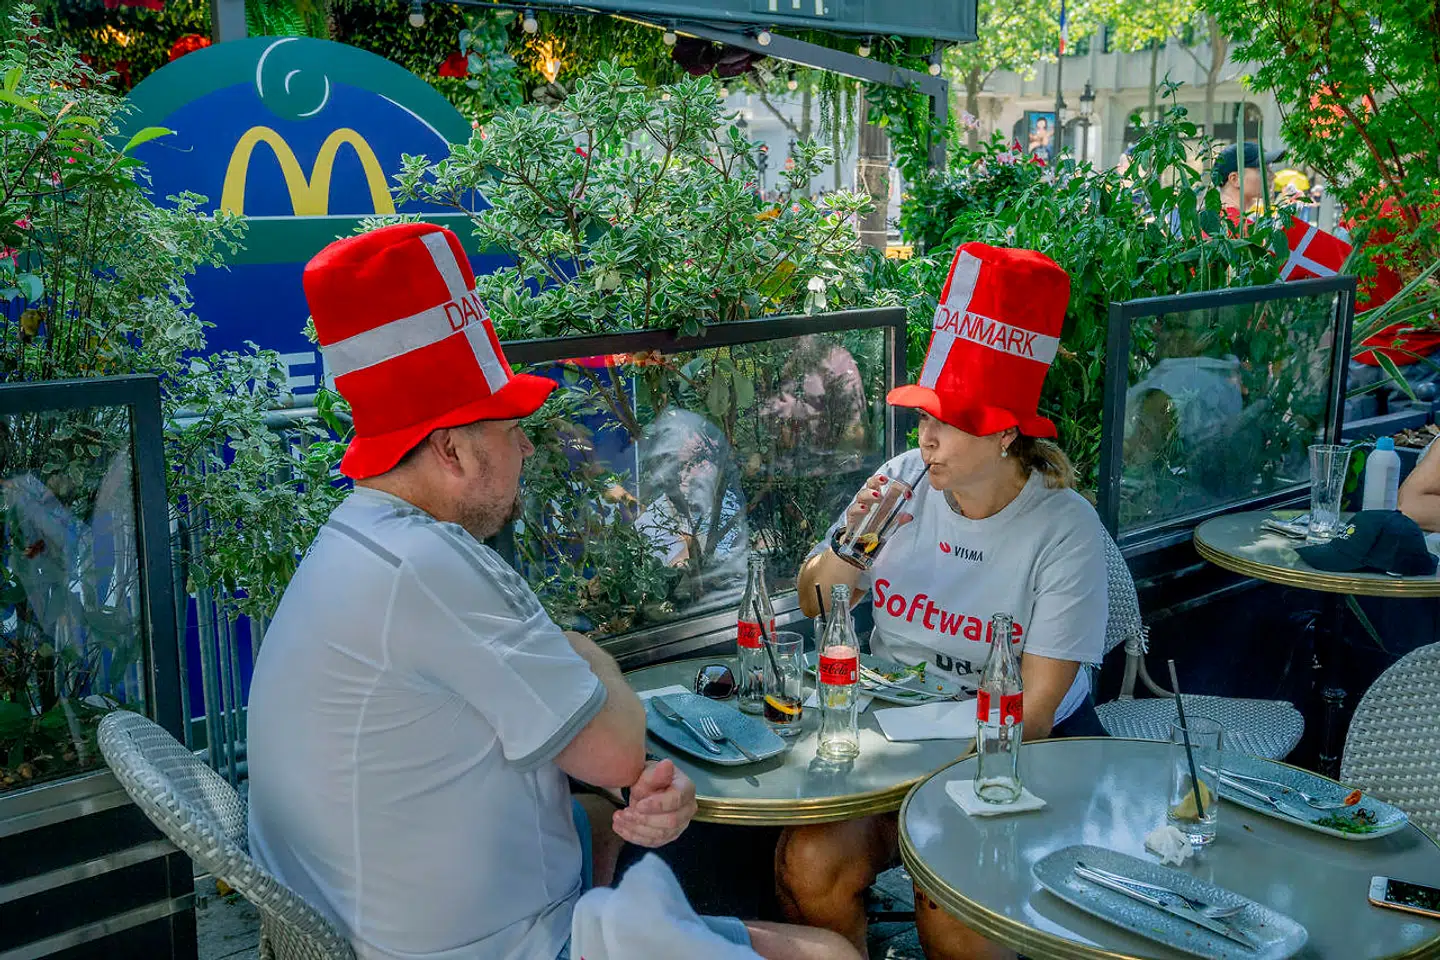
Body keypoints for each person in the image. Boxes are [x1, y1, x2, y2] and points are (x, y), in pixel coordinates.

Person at [245, 223, 857, 960]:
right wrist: (597, 663)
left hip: (382, 922)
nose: (527, 445)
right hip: (494, 947)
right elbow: (617, 747)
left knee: (606, 818)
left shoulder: (361, 537)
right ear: (451, 449)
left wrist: (615, 772)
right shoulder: (429, 567)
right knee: (831, 955)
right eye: (510, 427)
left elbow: (585, 758)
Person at [780, 243, 1110, 959]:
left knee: (953, 904)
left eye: (950, 420)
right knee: (809, 865)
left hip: (1005, 763)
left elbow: (1038, 713)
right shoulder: (903, 479)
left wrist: (914, 765)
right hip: (887, 743)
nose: (926, 436)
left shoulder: (1065, 529)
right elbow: (813, 601)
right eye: (924, 414)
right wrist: (852, 546)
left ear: (1005, 433)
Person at [1215, 142, 1287, 218]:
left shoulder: (1215, 219)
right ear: (1235, 179)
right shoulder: (1236, 226)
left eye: (1269, 168)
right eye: (1262, 169)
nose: (1273, 176)